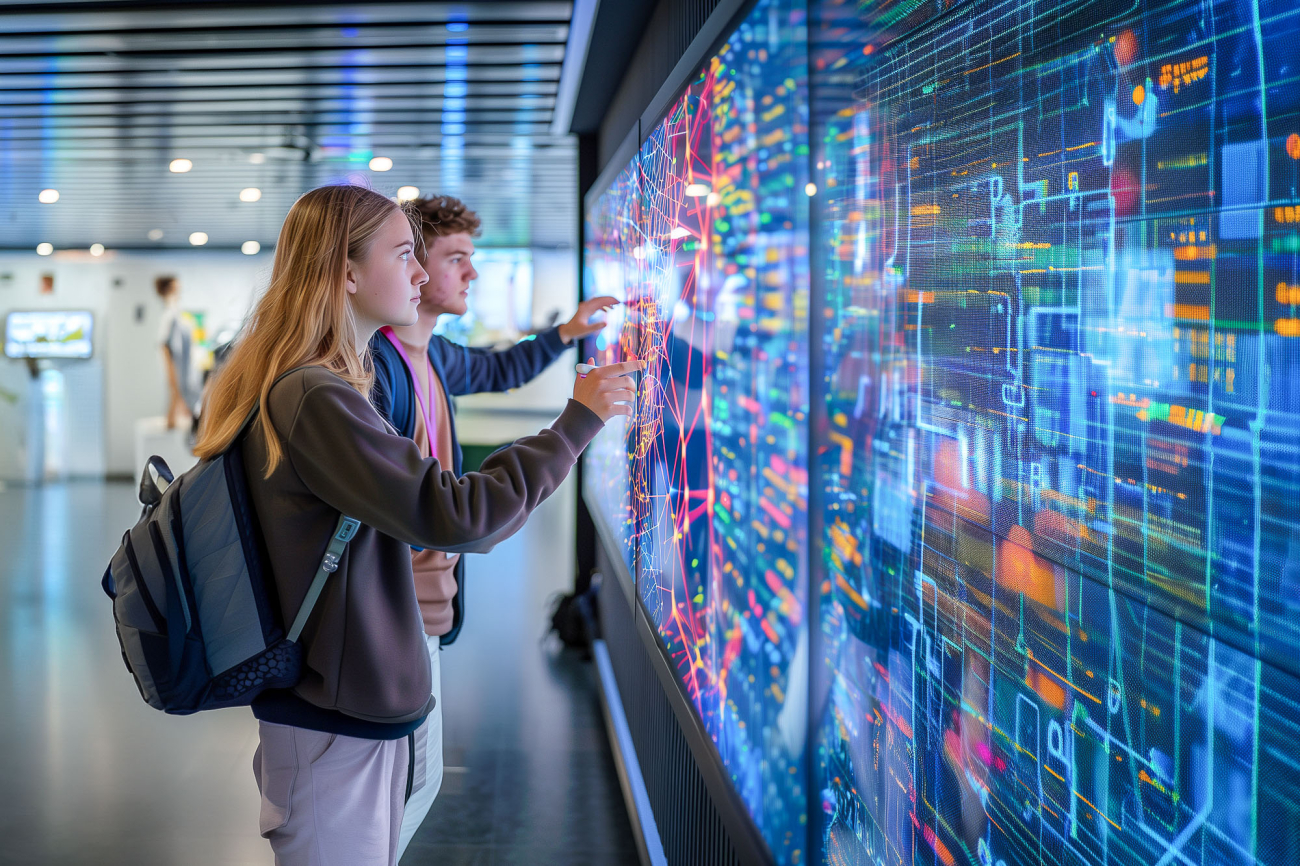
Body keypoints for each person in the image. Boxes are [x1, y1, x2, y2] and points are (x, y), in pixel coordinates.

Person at [192, 184, 637, 866]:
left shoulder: (327, 383)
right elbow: (456, 513)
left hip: (347, 693)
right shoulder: (319, 393)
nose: (424, 275)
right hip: (333, 705)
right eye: (406, 255)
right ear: (344, 272)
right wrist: (576, 424)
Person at [365, 194, 618, 860]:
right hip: (386, 616)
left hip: (424, 613)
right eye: (456, 258)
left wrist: (565, 334)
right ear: (414, 267)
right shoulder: (375, 370)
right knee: (387, 799)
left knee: (411, 787)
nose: (470, 273)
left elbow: (501, 368)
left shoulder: (431, 356)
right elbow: (425, 511)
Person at [156, 275, 201, 430]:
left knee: (185, 396)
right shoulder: (169, 315)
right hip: (177, 368)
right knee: (176, 394)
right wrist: (171, 373)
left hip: (184, 367)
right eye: (176, 288)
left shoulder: (176, 314)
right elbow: (164, 346)